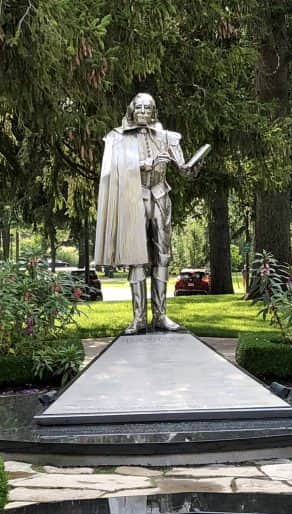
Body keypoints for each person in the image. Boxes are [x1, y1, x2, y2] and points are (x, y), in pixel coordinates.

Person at [93, 93, 208, 334]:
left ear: (154, 111)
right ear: (132, 110)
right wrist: (138, 166)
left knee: (162, 256)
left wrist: (192, 168)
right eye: (140, 107)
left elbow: (184, 171)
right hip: (134, 197)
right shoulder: (117, 138)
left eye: (148, 107)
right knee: (137, 256)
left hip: (160, 195)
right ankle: (138, 318)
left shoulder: (167, 137)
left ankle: (161, 315)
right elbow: (109, 173)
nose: (143, 111)